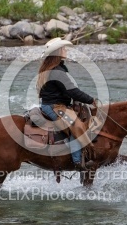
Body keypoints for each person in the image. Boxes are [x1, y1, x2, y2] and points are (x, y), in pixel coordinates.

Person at [36, 37, 97, 171]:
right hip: (54, 107)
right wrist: (91, 100)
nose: (65, 50)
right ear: (58, 52)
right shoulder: (57, 71)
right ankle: (77, 163)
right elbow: (72, 91)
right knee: (75, 127)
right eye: (63, 49)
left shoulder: (53, 68)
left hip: (55, 105)